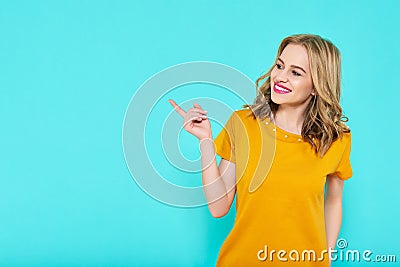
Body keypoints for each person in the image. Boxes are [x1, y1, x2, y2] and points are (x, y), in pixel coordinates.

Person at [168, 33, 352, 266]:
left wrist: (326, 255)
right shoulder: (243, 124)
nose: (280, 77)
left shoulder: (336, 139)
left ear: (317, 86)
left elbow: (334, 201)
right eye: (280, 66)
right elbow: (219, 206)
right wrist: (205, 141)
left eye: (295, 73)